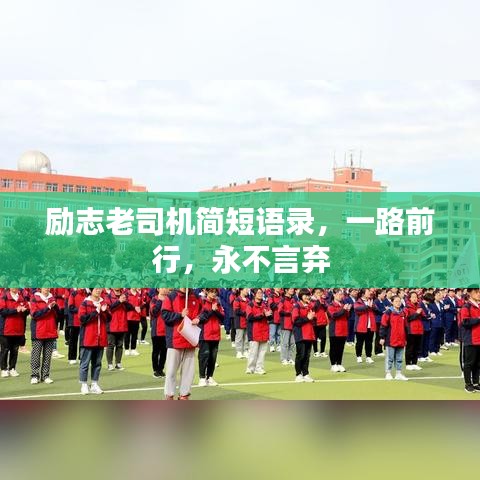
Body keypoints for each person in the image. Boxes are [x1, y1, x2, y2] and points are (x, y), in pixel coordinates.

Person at [162, 288, 202, 400]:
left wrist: (198, 318)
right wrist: (180, 315)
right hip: (175, 339)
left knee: (188, 372)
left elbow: (203, 312)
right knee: (171, 370)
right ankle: (169, 395)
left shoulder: (196, 297)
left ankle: (184, 394)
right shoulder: (171, 297)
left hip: (190, 339)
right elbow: (165, 316)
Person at [78, 288, 110, 395]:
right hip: (88, 338)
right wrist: (96, 311)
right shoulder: (85, 303)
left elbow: (109, 318)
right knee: (85, 363)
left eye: (100, 288)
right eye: (96, 288)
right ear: (91, 290)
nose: (98, 290)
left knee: (97, 363)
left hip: (100, 338)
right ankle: (83, 384)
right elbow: (82, 319)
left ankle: (94, 384)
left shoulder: (103, 302)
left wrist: (105, 311)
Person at [29, 288, 59, 384]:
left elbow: (58, 316)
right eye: (45, 286)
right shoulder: (34, 298)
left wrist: (55, 307)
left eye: (48, 286)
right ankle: (34, 375)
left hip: (50, 330)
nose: (47, 288)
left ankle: (45, 376)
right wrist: (48, 307)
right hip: (38, 331)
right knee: (36, 354)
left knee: (48, 355)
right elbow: (34, 314)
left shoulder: (52, 298)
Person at [0, 286, 29, 377]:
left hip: (18, 329)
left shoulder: (22, 297)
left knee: (15, 350)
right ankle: (3, 369)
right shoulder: (4, 296)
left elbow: (28, 310)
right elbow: (2, 311)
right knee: (5, 349)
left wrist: (25, 310)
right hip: (6, 329)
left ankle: (12, 368)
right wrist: (15, 310)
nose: (15, 287)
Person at [197, 288, 224, 386]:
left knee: (213, 357)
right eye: (212, 292)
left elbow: (222, 317)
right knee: (204, 356)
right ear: (207, 292)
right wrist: (212, 310)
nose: (214, 294)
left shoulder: (218, 303)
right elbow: (201, 318)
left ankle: (210, 377)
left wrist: (216, 311)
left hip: (215, 334)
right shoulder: (202, 302)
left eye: (215, 292)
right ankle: (202, 377)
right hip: (205, 334)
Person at [379, 295, 408, 381]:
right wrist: (382, 337)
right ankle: (388, 373)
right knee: (390, 358)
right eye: (396, 301)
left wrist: (406, 338)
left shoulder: (403, 313)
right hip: (391, 339)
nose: (398, 303)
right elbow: (383, 325)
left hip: (401, 339)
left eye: (399, 301)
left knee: (399, 358)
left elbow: (406, 327)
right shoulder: (388, 312)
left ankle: (398, 373)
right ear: (392, 302)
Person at [459, 288, 480, 393]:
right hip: (470, 339)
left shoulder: (478, 306)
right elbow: (465, 322)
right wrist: (478, 318)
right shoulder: (466, 307)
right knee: (469, 363)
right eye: (476, 292)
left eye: (479, 292)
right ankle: (468, 384)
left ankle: (476, 383)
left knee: (478, 363)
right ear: (469, 293)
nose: (479, 294)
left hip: (479, 339)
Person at [292, 289, 316, 382]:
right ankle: (298, 374)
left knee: (307, 355)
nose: (307, 297)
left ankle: (306, 374)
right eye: (305, 295)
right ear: (301, 296)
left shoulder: (310, 306)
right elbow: (295, 321)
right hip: (300, 334)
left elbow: (313, 320)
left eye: (308, 295)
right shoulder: (297, 306)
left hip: (309, 334)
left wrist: (313, 318)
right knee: (300, 355)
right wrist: (307, 318)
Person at [246, 288, 271, 375]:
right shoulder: (250, 305)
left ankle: (259, 368)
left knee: (262, 352)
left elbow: (270, 318)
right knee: (253, 351)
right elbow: (250, 317)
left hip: (264, 330)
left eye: (261, 293)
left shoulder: (265, 305)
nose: (260, 294)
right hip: (254, 331)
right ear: (254, 294)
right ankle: (250, 367)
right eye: (259, 293)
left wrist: (269, 315)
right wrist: (262, 314)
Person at [105, 288, 131, 371]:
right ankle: (110, 364)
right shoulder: (108, 296)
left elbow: (130, 308)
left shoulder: (124, 296)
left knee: (120, 345)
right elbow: (109, 308)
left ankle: (118, 363)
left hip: (122, 324)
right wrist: (119, 301)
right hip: (112, 324)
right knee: (110, 345)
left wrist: (124, 301)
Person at [327, 289, 350, 372]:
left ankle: (339, 363)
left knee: (341, 348)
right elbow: (334, 315)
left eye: (342, 294)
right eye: (339, 294)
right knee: (334, 348)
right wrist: (344, 310)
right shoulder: (331, 305)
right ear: (334, 295)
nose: (341, 296)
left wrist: (347, 310)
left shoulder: (342, 305)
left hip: (343, 329)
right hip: (335, 330)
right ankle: (333, 364)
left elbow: (347, 316)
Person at [354, 288, 377, 364]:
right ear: (363, 294)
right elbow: (357, 309)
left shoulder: (371, 301)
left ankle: (368, 356)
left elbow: (377, 310)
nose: (370, 293)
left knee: (369, 342)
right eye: (368, 292)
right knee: (359, 342)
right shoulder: (358, 302)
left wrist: (372, 306)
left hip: (370, 325)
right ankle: (359, 356)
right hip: (361, 326)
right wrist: (367, 306)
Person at [150, 288, 169, 378]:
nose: (164, 289)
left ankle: (161, 369)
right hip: (156, 330)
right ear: (158, 289)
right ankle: (155, 370)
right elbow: (154, 312)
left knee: (164, 351)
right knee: (156, 351)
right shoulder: (154, 299)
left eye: (166, 287)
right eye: (162, 287)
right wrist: (160, 301)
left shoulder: (169, 299)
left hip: (167, 330)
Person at [404, 292, 424, 371]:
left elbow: (424, 316)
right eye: (413, 297)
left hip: (419, 330)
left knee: (417, 347)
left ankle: (414, 363)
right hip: (411, 330)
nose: (415, 298)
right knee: (410, 347)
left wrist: (422, 313)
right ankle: (408, 363)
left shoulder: (419, 306)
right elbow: (408, 318)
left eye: (416, 297)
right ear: (409, 298)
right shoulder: (407, 307)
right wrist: (416, 313)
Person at [67, 288, 87, 365]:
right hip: (74, 321)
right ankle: (72, 357)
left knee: (83, 341)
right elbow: (71, 307)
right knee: (73, 340)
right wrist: (81, 310)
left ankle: (81, 357)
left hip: (83, 321)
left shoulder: (87, 294)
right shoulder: (73, 294)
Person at [279, 288, 296, 365]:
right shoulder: (282, 300)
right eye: (291, 288)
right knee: (285, 343)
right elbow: (280, 311)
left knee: (292, 343)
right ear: (286, 290)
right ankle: (284, 359)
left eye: (293, 289)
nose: (292, 290)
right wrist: (289, 312)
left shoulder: (293, 300)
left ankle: (290, 358)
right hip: (285, 324)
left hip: (293, 324)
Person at [125, 288, 143, 356]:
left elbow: (141, 304)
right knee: (127, 334)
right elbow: (125, 305)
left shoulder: (139, 295)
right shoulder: (127, 294)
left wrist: (140, 308)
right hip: (128, 317)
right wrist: (134, 307)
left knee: (134, 334)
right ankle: (126, 349)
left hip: (136, 317)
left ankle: (133, 349)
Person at [311, 288, 328, 358]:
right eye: (317, 293)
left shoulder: (322, 300)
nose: (319, 294)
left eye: (320, 292)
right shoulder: (311, 300)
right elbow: (314, 307)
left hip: (322, 321)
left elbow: (326, 308)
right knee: (314, 337)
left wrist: (322, 302)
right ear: (314, 293)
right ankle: (316, 351)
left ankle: (322, 351)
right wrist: (318, 300)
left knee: (323, 337)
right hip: (315, 322)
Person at [233, 288, 249, 359]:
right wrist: (246, 313)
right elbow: (236, 310)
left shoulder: (248, 300)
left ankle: (246, 350)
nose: (247, 290)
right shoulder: (237, 300)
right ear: (241, 290)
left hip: (247, 321)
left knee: (247, 337)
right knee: (239, 337)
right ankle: (239, 352)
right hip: (239, 321)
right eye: (246, 289)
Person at [268, 288, 282, 352]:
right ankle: (272, 345)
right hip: (273, 317)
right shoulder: (271, 296)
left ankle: (278, 345)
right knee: (272, 333)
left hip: (279, 317)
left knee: (278, 333)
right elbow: (271, 305)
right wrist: (279, 303)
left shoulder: (281, 296)